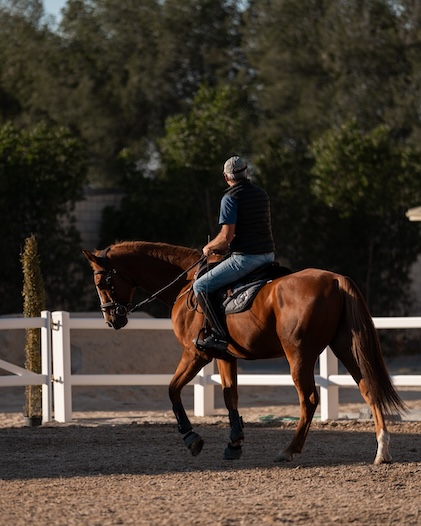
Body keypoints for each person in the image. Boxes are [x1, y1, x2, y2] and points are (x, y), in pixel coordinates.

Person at [193, 155, 276, 351]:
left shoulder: (230, 198)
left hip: (246, 258)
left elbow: (226, 237)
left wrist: (208, 248)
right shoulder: (261, 194)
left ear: (226, 177)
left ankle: (220, 336)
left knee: (200, 285)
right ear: (246, 172)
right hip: (268, 256)